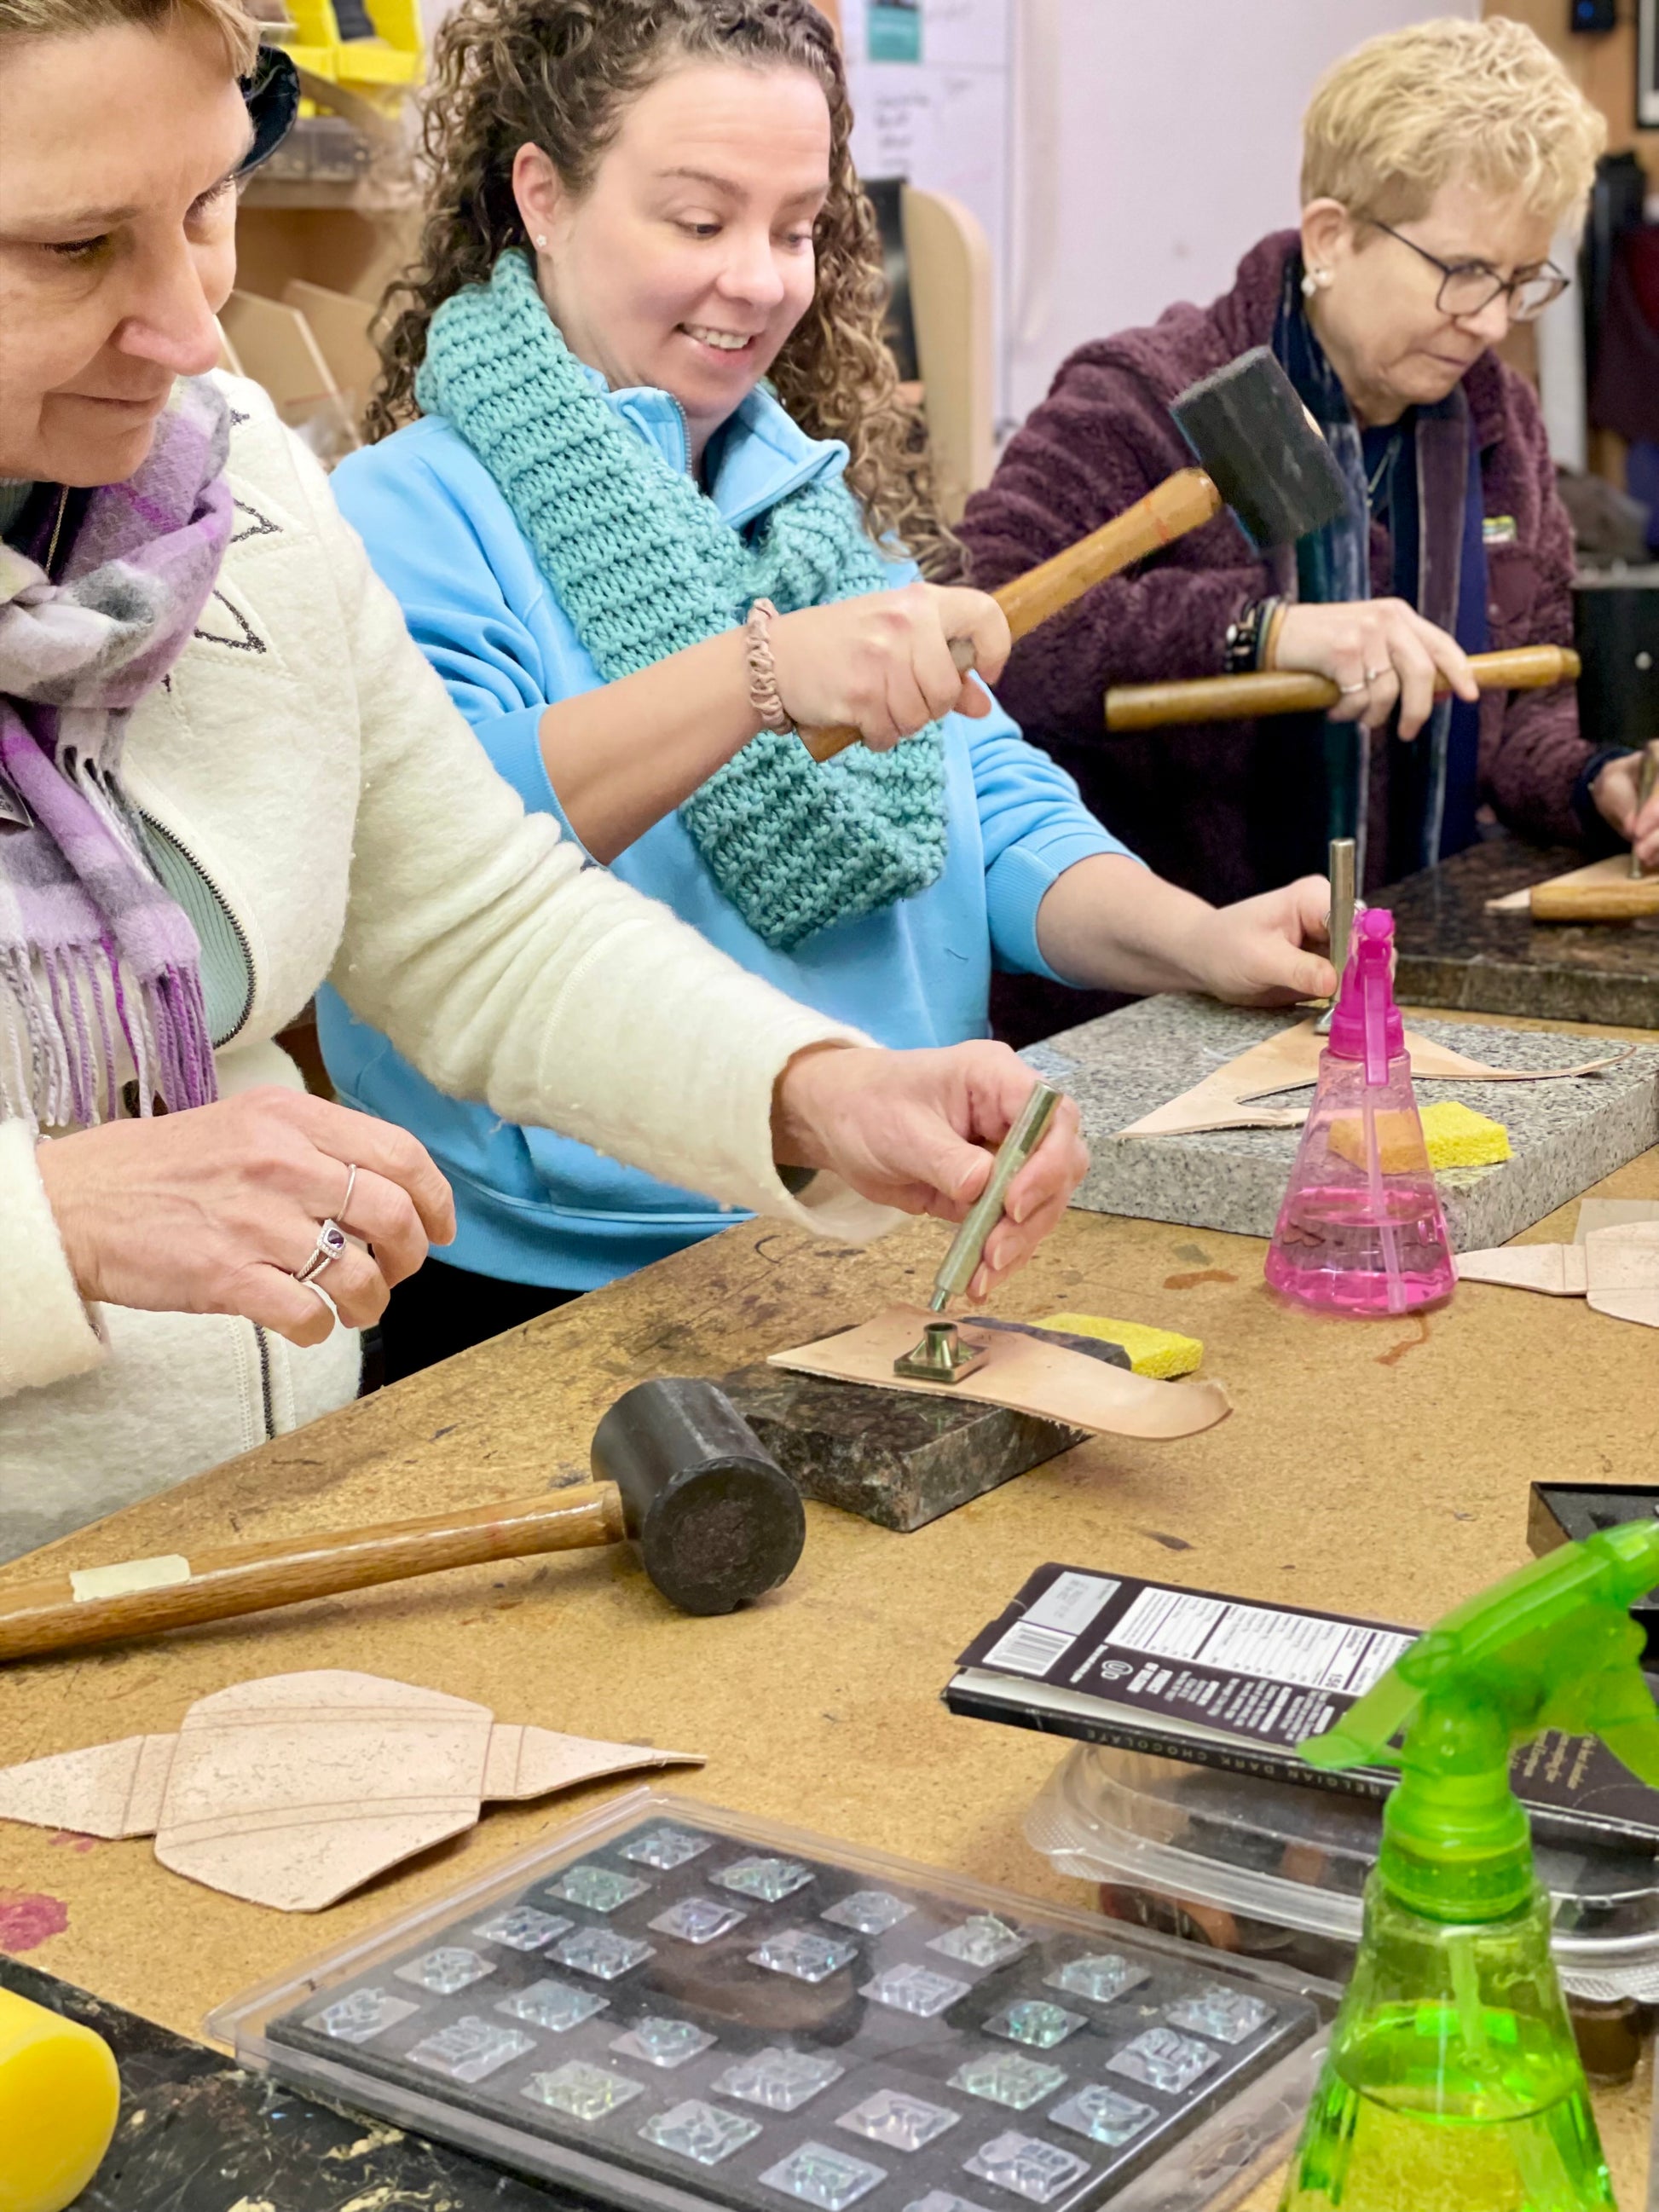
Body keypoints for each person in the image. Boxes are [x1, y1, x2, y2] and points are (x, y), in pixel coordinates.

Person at [0, 0, 1095, 1562]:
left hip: (259, 1535)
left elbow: (480, 923)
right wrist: (49, 1224)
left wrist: (811, 1089)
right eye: (71, 247)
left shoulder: (235, 485)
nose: (190, 329)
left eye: (204, 208)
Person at [320, 0, 1338, 1379]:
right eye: (699, 221)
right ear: (542, 198)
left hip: (883, 1230)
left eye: (798, 229)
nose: (760, 280)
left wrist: (1190, 942)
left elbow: (977, 794)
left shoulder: (803, 502)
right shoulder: (402, 514)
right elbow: (437, 871)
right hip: (563, 1300)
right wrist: (759, 675)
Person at [958, 15, 1658, 930]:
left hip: (1404, 955)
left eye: (1520, 280)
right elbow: (980, 639)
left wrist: (1599, 779)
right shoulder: (1142, 398)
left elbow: (1515, 714)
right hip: (1156, 986)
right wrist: (1261, 631)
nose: (1490, 322)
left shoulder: (1496, 423)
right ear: (1330, 237)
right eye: (1462, 272)